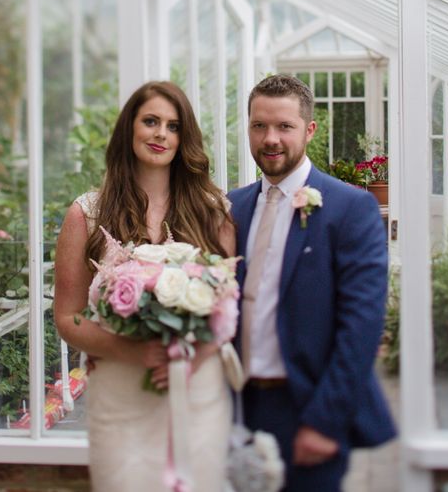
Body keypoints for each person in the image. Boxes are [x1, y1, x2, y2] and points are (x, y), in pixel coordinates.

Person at [54, 80, 236, 492]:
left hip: (197, 388)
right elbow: (67, 317)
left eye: (173, 126)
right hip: (121, 392)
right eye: (150, 121)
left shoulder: (214, 212)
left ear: (184, 138)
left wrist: (189, 358)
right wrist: (133, 350)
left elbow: (229, 308)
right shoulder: (87, 213)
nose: (160, 134)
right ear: (129, 129)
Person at [228, 74, 396, 492]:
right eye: (259, 126)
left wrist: (324, 422)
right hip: (234, 406)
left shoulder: (350, 208)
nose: (270, 138)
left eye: (284, 126)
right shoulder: (231, 207)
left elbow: (361, 326)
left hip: (306, 408)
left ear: (309, 129)